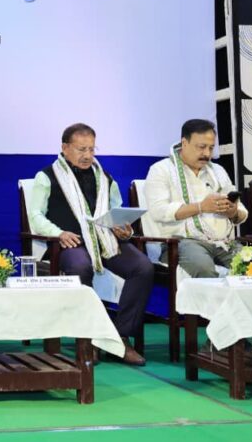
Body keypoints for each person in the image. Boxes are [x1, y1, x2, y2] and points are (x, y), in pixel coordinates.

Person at [27, 123, 152, 365]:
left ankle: (119, 338)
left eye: (92, 149)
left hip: (105, 239)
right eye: (81, 149)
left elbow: (117, 210)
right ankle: (89, 339)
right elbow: (36, 216)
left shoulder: (104, 177)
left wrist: (124, 228)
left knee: (143, 267)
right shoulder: (47, 176)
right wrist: (58, 233)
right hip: (70, 242)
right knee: (80, 267)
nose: (87, 155)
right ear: (65, 148)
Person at [145, 119, 247, 277]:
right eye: (201, 147)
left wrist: (233, 212)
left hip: (224, 242)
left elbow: (241, 211)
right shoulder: (161, 170)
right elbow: (158, 211)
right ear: (184, 143)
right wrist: (201, 207)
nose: (207, 154)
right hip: (182, 242)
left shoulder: (218, 171)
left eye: (211, 148)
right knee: (203, 268)